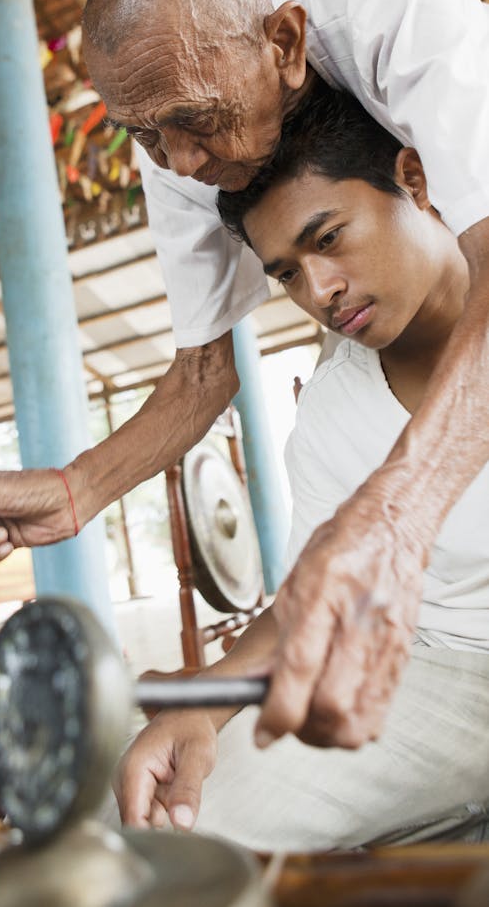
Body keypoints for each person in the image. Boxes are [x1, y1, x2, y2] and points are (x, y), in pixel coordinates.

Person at [0, 0, 489, 750]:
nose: (179, 163)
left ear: (285, 45)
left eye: (190, 123)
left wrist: (394, 519)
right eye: (145, 135)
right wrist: (76, 491)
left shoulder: (398, 13)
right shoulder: (178, 134)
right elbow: (204, 372)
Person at [113, 84, 489, 851]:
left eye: (328, 238)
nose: (319, 291)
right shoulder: (333, 408)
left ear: (414, 180)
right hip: (409, 663)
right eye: (285, 272)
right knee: (161, 809)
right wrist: (205, 703)